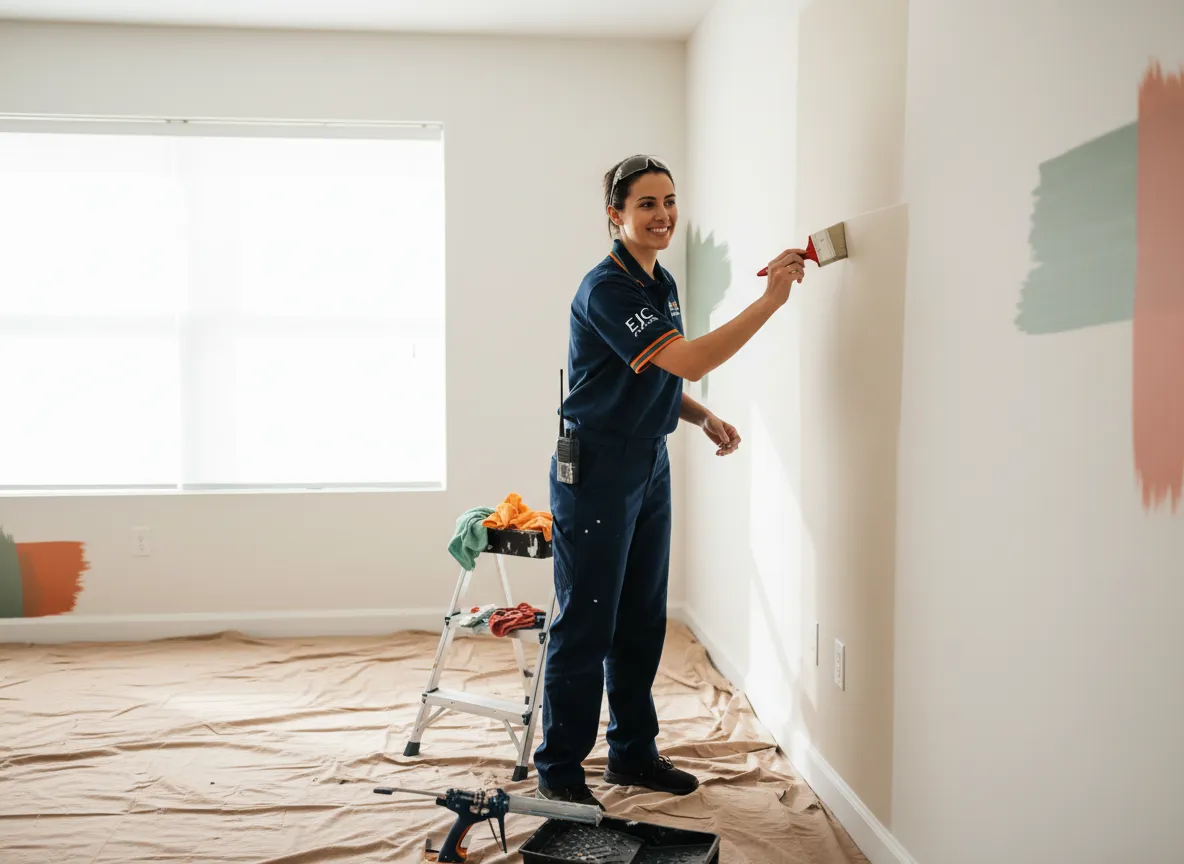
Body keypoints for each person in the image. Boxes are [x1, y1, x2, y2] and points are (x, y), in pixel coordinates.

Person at [533, 155, 807, 808]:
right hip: (597, 468)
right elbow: (683, 357)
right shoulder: (607, 288)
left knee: (641, 619)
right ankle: (560, 770)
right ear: (615, 216)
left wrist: (699, 413)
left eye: (669, 201)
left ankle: (632, 754)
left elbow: (651, 372)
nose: (663, 216)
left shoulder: (661, 281)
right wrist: (770, 300)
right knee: (587, 621)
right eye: (647, 205)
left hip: (647, 462)